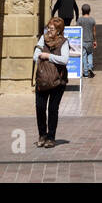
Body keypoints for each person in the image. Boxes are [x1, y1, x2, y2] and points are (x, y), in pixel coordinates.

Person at [32, 17, 70, 148]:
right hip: (42, 80)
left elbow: (65, 60)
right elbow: (35, 55)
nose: (49, 30)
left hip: (57, 81)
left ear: (59, 31)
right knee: (40, 107)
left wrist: (48, 56)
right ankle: (42, 135)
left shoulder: (64, 42)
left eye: (52, 29)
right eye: (48, 27)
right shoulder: (43, 38)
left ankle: (51, 137)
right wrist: (40, 54)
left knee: (53, 109)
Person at [79, 3, 97, 77]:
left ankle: (86, 72)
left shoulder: (79, 20)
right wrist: (95, 40)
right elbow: (94, 31)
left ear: (82, 11)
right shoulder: (92, 20)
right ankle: (90, 67)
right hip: (90, 41)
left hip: (82, 41)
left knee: (84, 56)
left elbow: (78, 30)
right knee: (90, 55)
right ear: (89, 11)